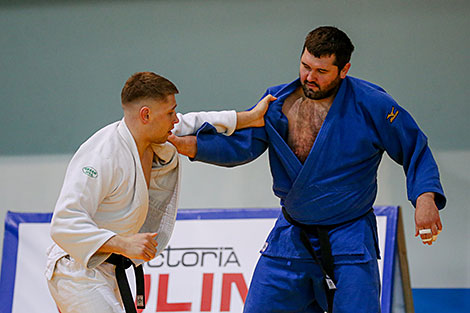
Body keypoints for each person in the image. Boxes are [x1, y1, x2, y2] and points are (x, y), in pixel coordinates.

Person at [168, 26, 446, 313]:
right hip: (292, 234)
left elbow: (415, 147)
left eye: (321, 71)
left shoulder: (373, 104)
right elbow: (243, 146)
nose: (310, 77)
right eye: (305, 66)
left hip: (349, 235)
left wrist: (425, 198)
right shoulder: (277, 102)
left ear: (343, 69)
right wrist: (185, 145)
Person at [45, 71, 276, 313]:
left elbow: (197, 121)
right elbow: (63, 224)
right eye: (170, 113)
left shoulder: (153, 136)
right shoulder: (102, 155)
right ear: (146, 115)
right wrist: (123, 243)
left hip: (108, 267)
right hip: (75, 268)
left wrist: (249, 118)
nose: (176, 119)